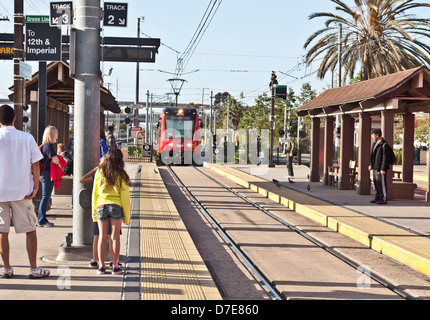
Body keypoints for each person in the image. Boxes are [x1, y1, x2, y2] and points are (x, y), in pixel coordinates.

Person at [0, 105, 50, 279]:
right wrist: (36, 187)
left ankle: (7, 268)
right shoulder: (26, 137)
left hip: (0, 193)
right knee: (30, 230)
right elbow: (36, 163)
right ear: (15, 118)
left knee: (2, 231)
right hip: (23, 192)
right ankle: (34, 268)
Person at [91, 148, 130, 274]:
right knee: (115, 237)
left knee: (102, 237)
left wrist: (94, 212)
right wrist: (127, 217)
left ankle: (101, 266)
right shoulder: (121, 175)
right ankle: (115, 265)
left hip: (101, 207)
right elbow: (125, 198)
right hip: (116, 207)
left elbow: (95, 194)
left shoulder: (99, 172)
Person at [38, 125, 59, 227]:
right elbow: (56, 160)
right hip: (46, 174)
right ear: (52, 134)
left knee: (45, 197)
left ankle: (41, 219)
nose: (57, 135)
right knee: (45, 197)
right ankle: (41, 220)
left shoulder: (43, 145)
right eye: (56, 133)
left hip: (42, 174)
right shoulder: (49, 146)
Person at [368, 128, 393, 205]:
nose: (372, 136)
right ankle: (378, 197)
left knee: (381, 183)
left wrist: (383, 168)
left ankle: (383, 198)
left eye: (373, 135)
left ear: (377, 135)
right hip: (375, 167)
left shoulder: (384, 145)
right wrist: (370, 164)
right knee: (376, 182)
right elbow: (373, 156)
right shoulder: (374, 144)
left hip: (380, 168)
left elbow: (385, 158)